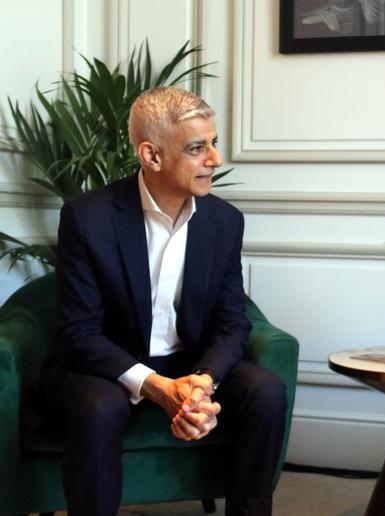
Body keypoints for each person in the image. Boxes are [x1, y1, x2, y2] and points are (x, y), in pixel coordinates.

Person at [39, 86, 286, 516]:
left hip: (187, 362)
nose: (215, 159)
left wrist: (202, 384)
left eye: (214, 142)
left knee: (265, 391)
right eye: (197, 148)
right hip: (109, 366)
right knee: (98, 409)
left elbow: (233, 322)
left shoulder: (224, 221)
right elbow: (79, 334)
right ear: (151, 156)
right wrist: (157, 388)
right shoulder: (88, 217)